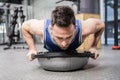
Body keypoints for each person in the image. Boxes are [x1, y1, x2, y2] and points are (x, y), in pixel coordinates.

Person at [22, 6, 105, 61]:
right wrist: (32, 48)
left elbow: (101, 25)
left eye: (69, 37)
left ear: (75, 28)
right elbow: (24, 26)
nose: (64, 43)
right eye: (59, 38)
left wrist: (93, 46)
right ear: (51, 29)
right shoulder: (41, 28)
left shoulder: (85, 28)